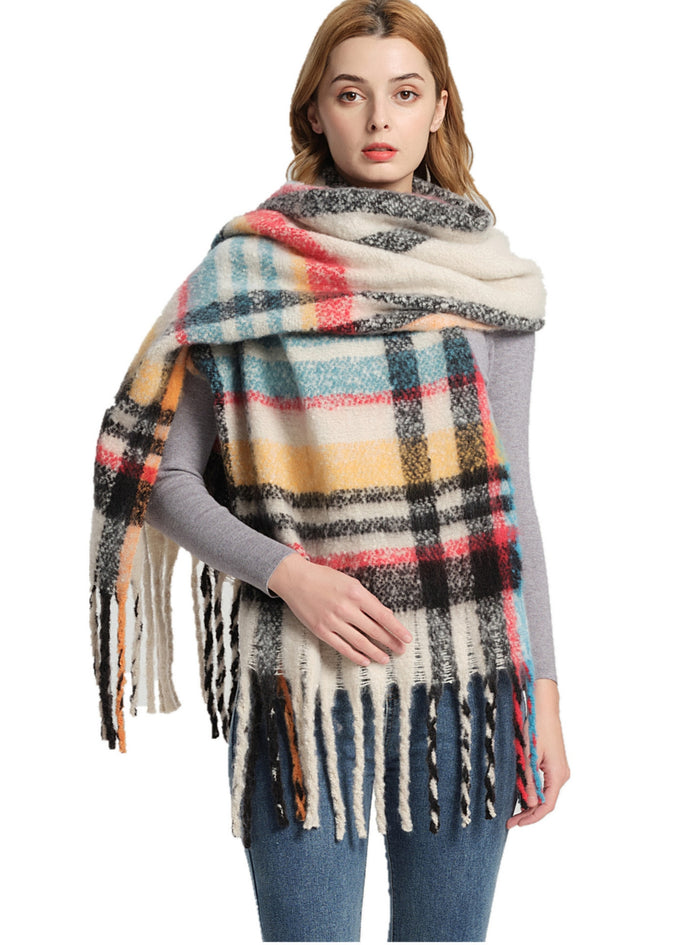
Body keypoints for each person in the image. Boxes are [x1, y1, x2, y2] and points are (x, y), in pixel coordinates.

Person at [89, 1, 569, 940]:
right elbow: (163, 481)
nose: (379, 119)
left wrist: (543, 693)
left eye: (405, 93)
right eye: (352, 95)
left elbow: (512, 503)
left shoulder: (487, 279)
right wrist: (289, 575)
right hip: (298, 682)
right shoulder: (247, 274)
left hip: (464, 678)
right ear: (316, 110)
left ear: (439, 107)